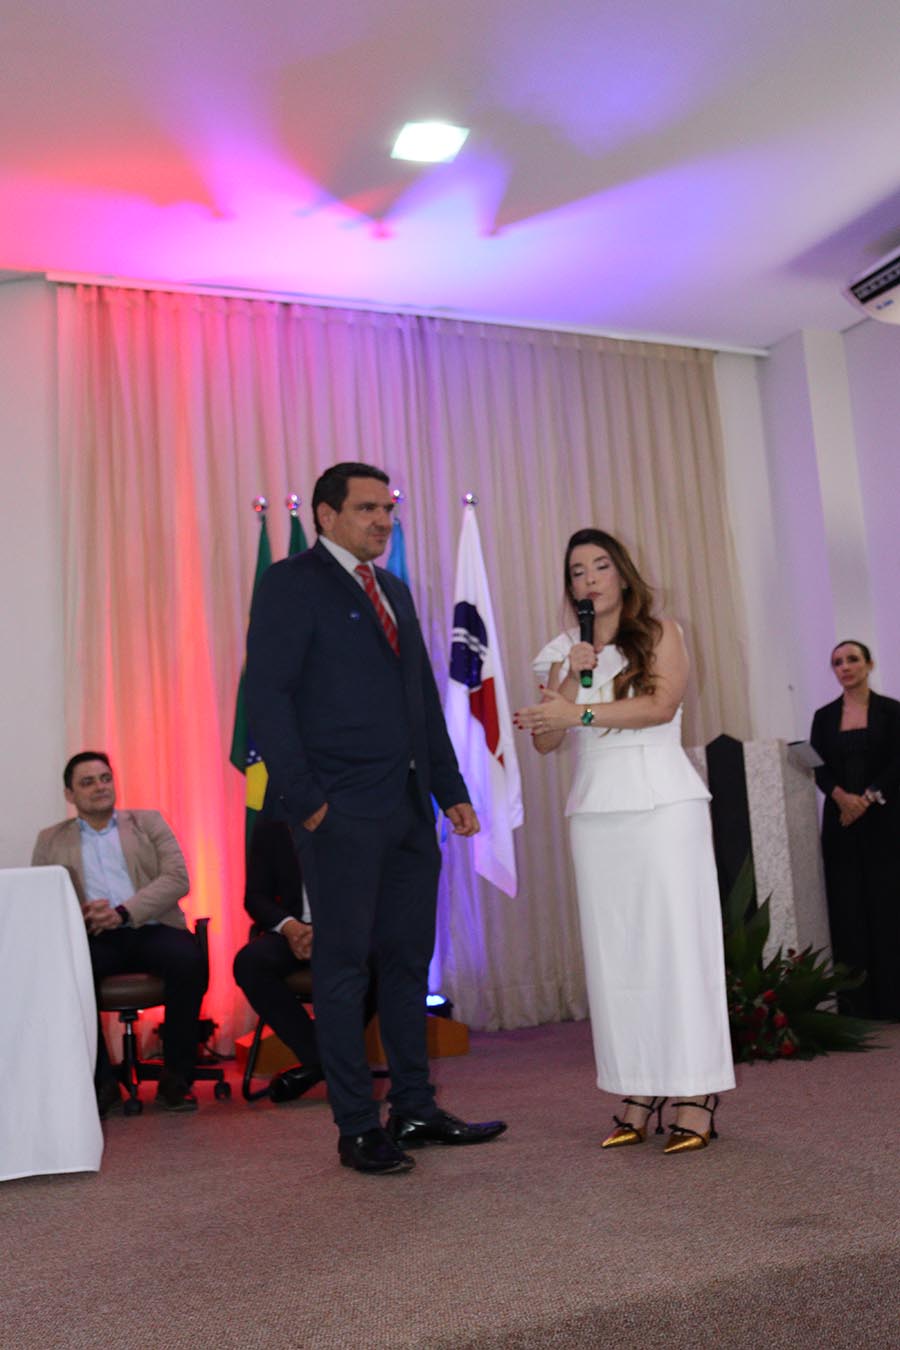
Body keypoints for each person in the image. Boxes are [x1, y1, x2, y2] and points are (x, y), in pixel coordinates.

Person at [245, 462, 507, 1173]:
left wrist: (449, 787)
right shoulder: (291, 584)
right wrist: (308, 802)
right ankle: (357, 1126)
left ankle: (414, 1108)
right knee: (342, 970)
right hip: (339, 811)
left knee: (407, 963)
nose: (383, 521)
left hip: (408, 808)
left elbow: (418, 695)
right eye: (367, 509)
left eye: (387, 509)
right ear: (326, 516)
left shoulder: (392, 589)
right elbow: (267, 696)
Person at [514, 529, 735, 1154]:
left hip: (663, 806)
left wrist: (581, 712)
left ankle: (695, 1091)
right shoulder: (563, 651)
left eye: (600, 566)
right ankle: (637, 1087)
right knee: (618, 956)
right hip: (596, 812)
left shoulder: (662, 632)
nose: (589, 579)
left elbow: (660, 707)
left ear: (622, 574)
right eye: (577, 571)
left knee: (675, 947)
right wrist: (568, 680)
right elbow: (547, 739)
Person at [31, 752, 206, 1113]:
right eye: (88, 782)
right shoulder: (50, 840)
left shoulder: (148, 822)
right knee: (65, 973)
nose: (100, 787)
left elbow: (177, 878)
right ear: (70, 794)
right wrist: (82, 914)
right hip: (94, 935)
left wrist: (123, 912)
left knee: (188, 961)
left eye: (105, 778)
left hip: (150, 925)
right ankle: (100, 1083)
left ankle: (176, 1078)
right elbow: (44, 899)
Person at [233, 817, 378, 1102]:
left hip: (345, 930)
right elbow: (256, 897)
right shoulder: (272, 826)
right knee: (249, 963)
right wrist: (290, 927)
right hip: (293, 931)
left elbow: (373, 889)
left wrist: (329, 932)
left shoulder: (356, 816)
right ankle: (323, 1060)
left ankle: (320, 1067)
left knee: (380, 959)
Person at [809, 640, 900, 1020]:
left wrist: (867, 798)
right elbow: (817, 765)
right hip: (841, 824)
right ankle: (856, 1006)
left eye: (852, 660)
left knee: (888, 907)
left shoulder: (892, 711)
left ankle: (893, 1002)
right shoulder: (824, 716)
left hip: (885, 823)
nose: (845, 667)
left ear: (869, 664)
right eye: (837, 662)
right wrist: (842, 798)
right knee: (847, 908)